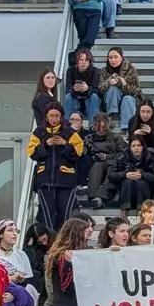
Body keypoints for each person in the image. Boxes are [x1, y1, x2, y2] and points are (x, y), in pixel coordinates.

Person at [27, 102, 85, 232]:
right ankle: (50, 245)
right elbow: (32, 153)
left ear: (61, 117)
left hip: (66, 180)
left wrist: (65, 144)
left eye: (57, 116)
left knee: (65, 215)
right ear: (46, 117)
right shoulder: (39, 132)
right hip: (44, 180)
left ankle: (62, 243)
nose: (54, 119)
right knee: (48, 216)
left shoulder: (70, 132)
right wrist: (46, 144)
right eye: (51, 116)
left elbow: (79, 153)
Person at [108, 135, 154, 213]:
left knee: (141, 182)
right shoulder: (121, 157)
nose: (136, 148)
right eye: (133, 146)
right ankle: (124, 211)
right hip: (127, 193)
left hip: (147, 193)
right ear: (130, 147)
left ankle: (142, 211)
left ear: (143, 147)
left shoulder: (150, 157)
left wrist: (143, 175)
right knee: (127, 181)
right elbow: (111, 175)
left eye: (139, 145)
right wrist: (125, 175)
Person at [84, 113, 127, 208]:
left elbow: (125, 154)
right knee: (97, 166)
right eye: (97, 127)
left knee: (112, 168)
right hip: (98, 163)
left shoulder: (116, 138)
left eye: (103, 127)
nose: (100, 130)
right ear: (94, 126)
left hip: (114, 163)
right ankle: (93, 197)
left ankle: (102, 197)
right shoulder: (89, 139)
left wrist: (108, 156)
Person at [100, 48, 141, 132]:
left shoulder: (130, 69)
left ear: (121, 57)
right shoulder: (104, 71)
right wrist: (108, 82)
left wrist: (124, 84)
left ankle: (127, 127)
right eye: (110, 57)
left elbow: (136, 90)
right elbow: (100, 89)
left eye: (116, 57)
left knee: (127, 99)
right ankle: (112, 116)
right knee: (113, 89)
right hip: (109, 102)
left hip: (128, 101)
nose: (113, 60)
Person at [65, 49, 101, 125]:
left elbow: (97, 91)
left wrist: (87, 89)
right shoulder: (71, 71)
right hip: (76, 100)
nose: (84, 62)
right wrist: (74, 89)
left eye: (86, 60)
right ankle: (67, 125)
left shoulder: (95, 71)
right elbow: (68, 89)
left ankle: (93, 126)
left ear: (90, 62)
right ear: (77, 61)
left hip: (89, 101)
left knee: (94, 97)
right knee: (68, 96)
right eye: (81, 60)